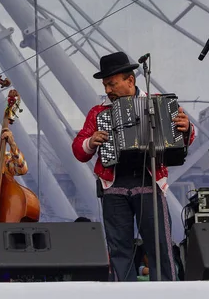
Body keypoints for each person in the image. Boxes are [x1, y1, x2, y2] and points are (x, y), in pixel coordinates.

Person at [71, 51, 195, 282]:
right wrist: (90, 141)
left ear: (130, 80)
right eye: (105, 85)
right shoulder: (99, 113)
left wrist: (187, 128)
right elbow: (79, 149)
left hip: (150, 184)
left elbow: (183, 137)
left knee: (160, 246)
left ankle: (166, 293)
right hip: (114, 187)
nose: (107, 90)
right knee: (119, 249)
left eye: (112, 84)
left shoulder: (158, 103)